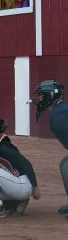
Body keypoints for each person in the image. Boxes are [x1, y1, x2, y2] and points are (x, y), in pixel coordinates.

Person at [33, 80, 68, 219]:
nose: (40, 99)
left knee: (67, 166)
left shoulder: (58, 114)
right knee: (65, 163)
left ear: (50, 96)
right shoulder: (60, 109)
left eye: (42, 96)